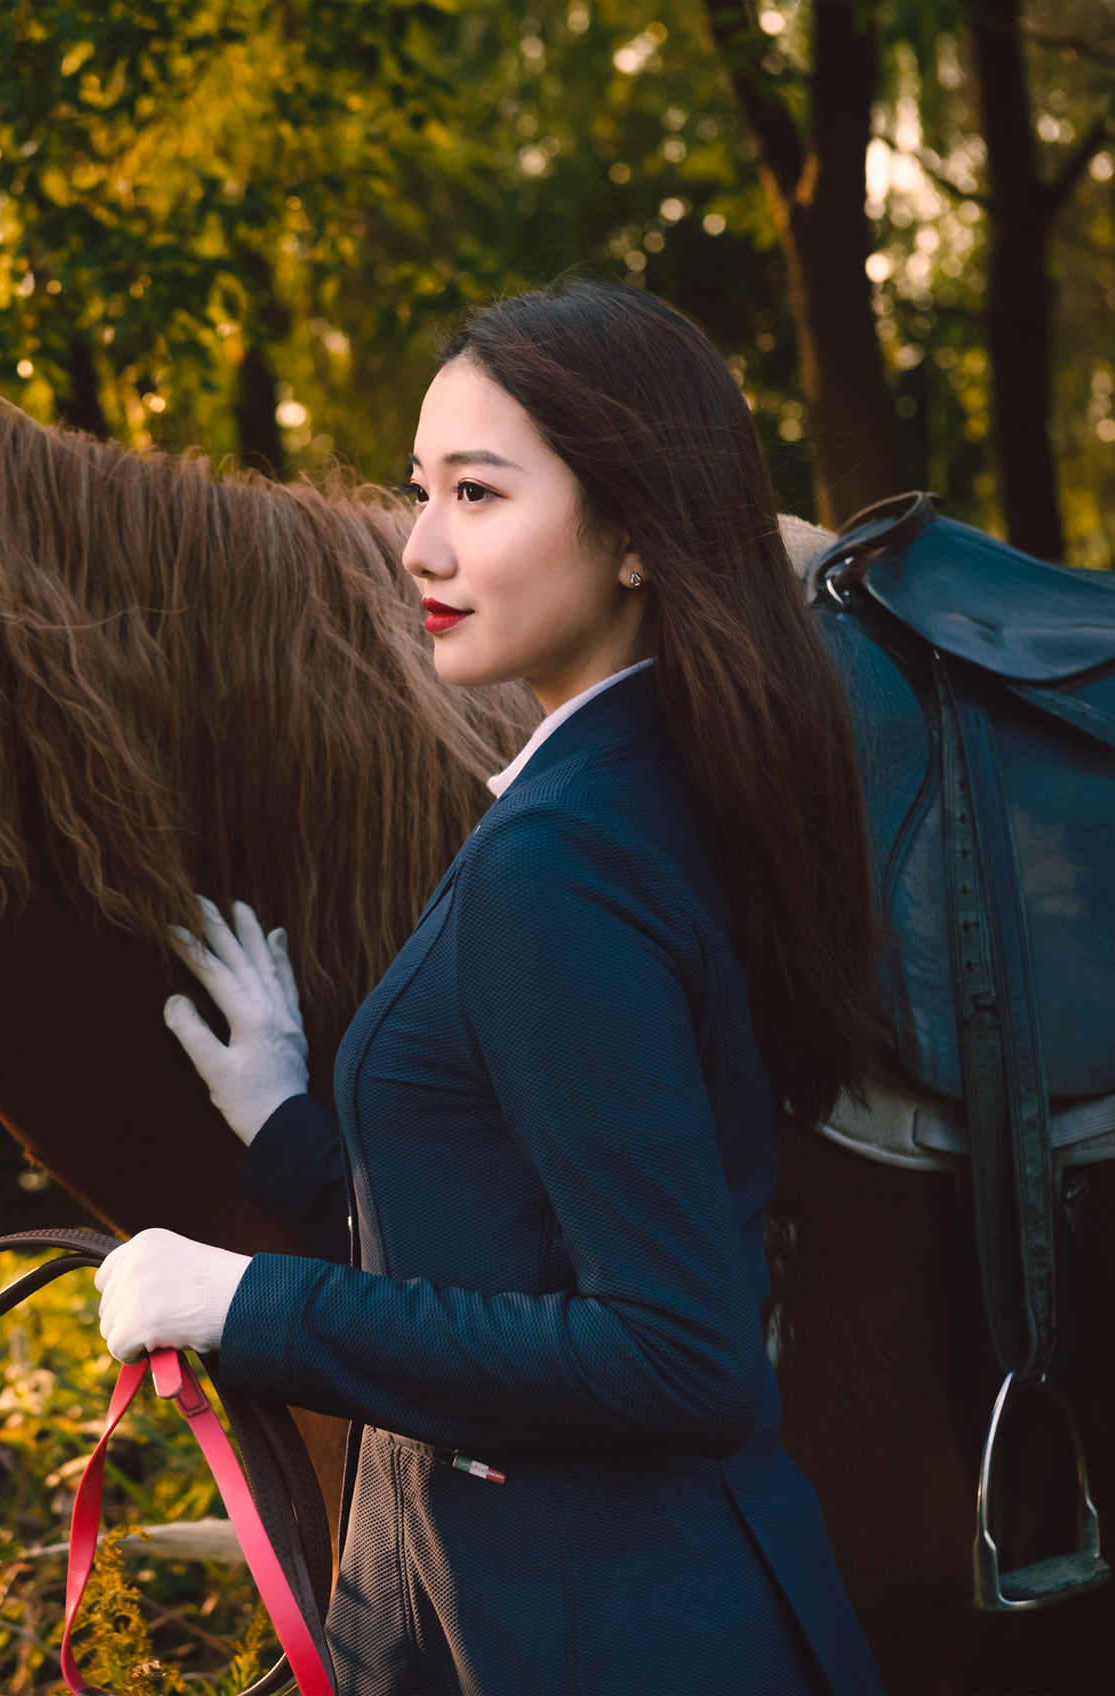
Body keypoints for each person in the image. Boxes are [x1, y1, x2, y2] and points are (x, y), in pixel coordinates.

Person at [93, 279, 885, 1694]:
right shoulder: (647, 788)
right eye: (421, 490)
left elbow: (675, 1352)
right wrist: (290, 1123)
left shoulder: (563, 861)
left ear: (637, 532)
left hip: (604, 1636)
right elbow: (514, 1238)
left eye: (477, 493)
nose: (418, 545)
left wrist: (244, 1306)